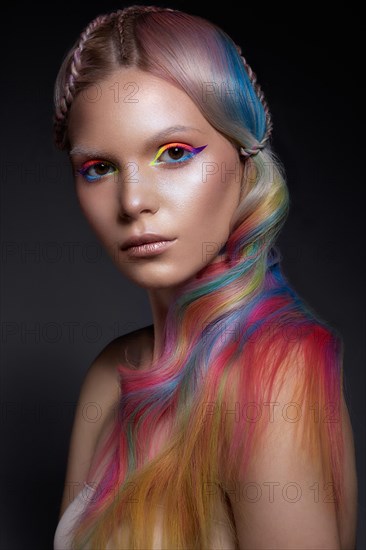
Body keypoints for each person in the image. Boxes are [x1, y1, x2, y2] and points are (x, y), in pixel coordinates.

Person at [52, 5, 357, 549]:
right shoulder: (110, 373)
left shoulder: (274, 379)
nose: (133, 201)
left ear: (243, 156)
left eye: (173, 153)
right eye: (99, 167)